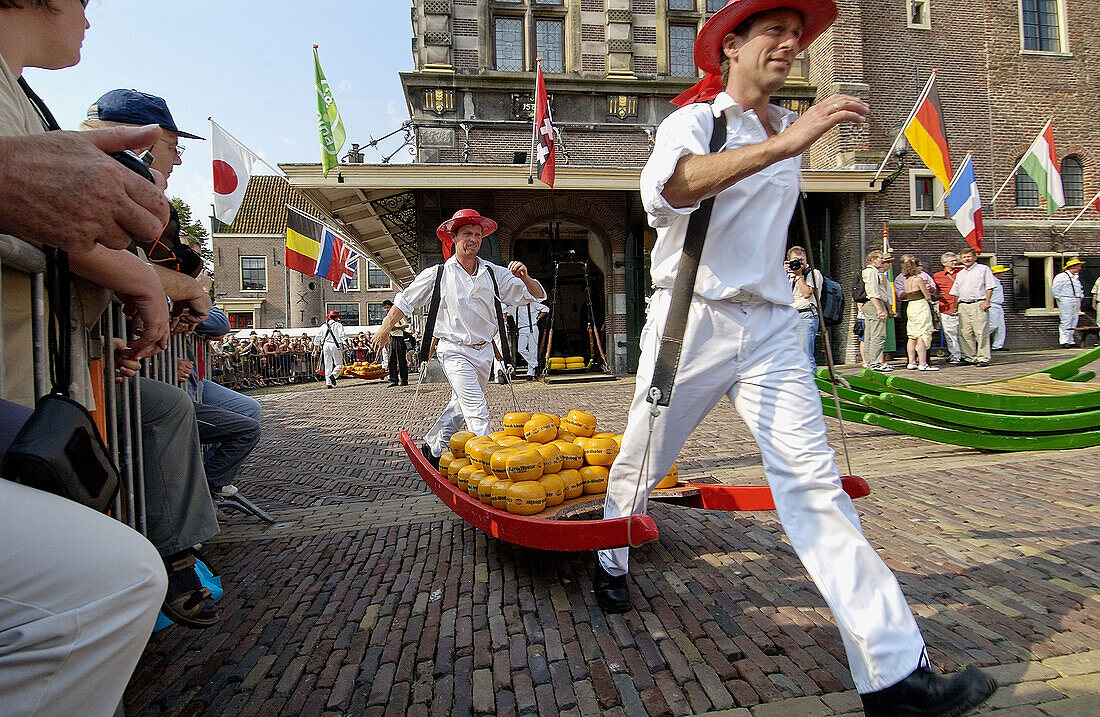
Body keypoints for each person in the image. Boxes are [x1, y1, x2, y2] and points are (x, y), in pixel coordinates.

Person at [594, 3, 996, 716]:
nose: (789, 44)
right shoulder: (696, 123)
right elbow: (672, 188)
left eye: (796, 34)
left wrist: (792, 162)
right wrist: (789, 144)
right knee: (643, 458)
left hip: (774, 324)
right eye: (773, 31)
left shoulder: (788, 126)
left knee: (815, 490)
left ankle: (895, 678)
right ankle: (611, 553)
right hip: (695, 319)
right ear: (732, 47)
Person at [0, 2, 172, 713]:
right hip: (20, 393)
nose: (90, 18)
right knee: (112, 578)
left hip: (31, 400)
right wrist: (140, 276)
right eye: (83, 1)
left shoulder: (24, 99)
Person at [372, 209, 545, 467]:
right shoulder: (438, 274)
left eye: (478, 234)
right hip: (453, 351)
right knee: (477, 409)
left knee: (459, 406)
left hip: (484, 352)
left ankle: (433, 447)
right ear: (453, 237)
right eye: (467, 234)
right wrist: (385, 328)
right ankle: (491, 466)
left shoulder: (494, 273)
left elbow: (535, 296)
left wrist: (525, 276)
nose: (473, 239)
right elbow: (406, 300)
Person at [949, 247, 995, 366]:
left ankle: (983, 358)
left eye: (969, 256)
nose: (966, 259)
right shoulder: (960, 274)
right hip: (963, 305)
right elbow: (956, 292)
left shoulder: (983, 269)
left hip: (978, 303)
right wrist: (956, 307)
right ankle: (969, 357)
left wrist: (987, 300)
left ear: (975, 257)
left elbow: (989, 286)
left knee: (981, 332)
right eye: (964, 257)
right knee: (964, 333)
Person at [785, 245, 822, 372]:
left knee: (805, 356)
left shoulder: (813, 273)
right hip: (789, 317)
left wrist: (799, 275)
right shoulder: (786, 275)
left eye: (802, 260)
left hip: (805, 316)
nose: (799, 263)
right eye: (796, 260)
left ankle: (811, 389)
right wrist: (782, 273)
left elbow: (807, 293)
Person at [901, 256, 938, 371]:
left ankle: (911, 362)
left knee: (912, 335)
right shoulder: (918, 279)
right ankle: (923, 363)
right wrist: (931, 299)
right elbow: (927, 295)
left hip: (911, 306)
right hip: (920, 306)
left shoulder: (906, 281)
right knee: (922, 333)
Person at [861, 250, 893, 372]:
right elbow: (872, 292)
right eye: (880, 258)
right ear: (873, 259)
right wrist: (880, 309)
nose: (883, 261)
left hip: (871, 305)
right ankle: (874, 363)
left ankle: (870, 362)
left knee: (870, 334)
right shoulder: (871, 272)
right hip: (874, 305)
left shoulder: (871, 272)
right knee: (877, 335)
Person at [932, 252, 963, 365]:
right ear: (944, 263)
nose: (955, 263)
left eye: (955, 260)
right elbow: (934, 292)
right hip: (946, 308)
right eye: (952, 261)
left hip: (962, 307)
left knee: (964, 333)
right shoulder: (937, 276)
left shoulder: (962, 273)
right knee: (950, 334)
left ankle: (966, 354)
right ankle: (955, 355)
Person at [507, 299, 549, 379]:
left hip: (532, 328)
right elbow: (504, 310)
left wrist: (538, 318)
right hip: (521, 329)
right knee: (521, 349)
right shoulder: (514, 307)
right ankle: (535, 364)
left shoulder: (533, 304)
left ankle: (531, 373)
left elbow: (546, 309)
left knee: (533, 351)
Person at [1052, 258, 1085, 348]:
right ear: (1073, 267)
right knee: (1066, 319)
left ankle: (1070, 340)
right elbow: (1055, 288)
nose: (1080, 268)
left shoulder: (1075, 277)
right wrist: (1060, 299)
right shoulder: (1061, 276)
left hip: (1075, 299)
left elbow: (1079, 288)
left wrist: (1080, 296)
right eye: (1078, 266)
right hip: (1066, 299)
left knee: (1074, 319)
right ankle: (1064, 341)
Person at [315, 310, 347, 387]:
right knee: (339, 364)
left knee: (327, 364)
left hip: (326, 345)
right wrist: (347, 344)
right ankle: (333, 375)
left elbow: (317, 338)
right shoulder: (338, 325)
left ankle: (328, 383)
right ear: (335, 318)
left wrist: (316, 348)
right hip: (335, 345)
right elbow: (342, 336)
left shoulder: (323, 326)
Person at [382, 299, 409, 386]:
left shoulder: (399, 316)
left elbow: (406, 324)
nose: (387, 309)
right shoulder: (385, 319)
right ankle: (393, 380)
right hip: (391, 338)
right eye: (385, 308)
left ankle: (404, 380)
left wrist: (396, 327)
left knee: (401, 359)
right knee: (391, 360)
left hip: (399, 338)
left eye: (388, 307)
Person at [988, 264, 1010, 350]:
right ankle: (976, 339)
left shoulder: (997, 281)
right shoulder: (992, 281)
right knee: (993, 325)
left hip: (999, 305)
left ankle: (997, 345)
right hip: (992, 305)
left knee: (1001, 326)